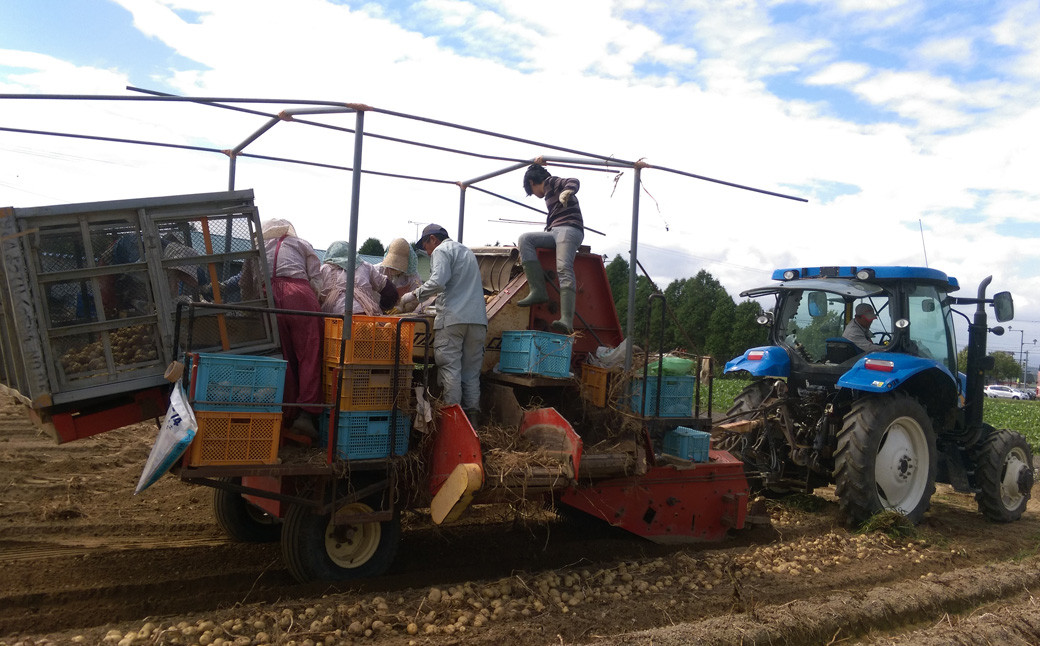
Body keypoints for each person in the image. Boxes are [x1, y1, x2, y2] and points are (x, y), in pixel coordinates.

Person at [399, 224, 487, 425]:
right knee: (471, 374)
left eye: (425, 245)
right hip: (478, 320)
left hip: (453, 319)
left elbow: (438, 282)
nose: (427, 252)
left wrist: (413, 295)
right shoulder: (466, 251)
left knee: (450, 368)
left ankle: (453, 422)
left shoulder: (441, 250)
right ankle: (472, 423)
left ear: (432, 239)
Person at [261, 218, 323, 438]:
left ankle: (285, 413)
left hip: (267, 297)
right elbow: (317, 279)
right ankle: (306, 415)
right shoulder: (302, 244)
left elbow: (246, 282)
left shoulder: (260, 245)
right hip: (299, 294)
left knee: (281, 357)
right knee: (310, 354)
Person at [516, 159, 584, 334]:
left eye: (531, 190)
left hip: (569, 229)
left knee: (563, 267)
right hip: (555, 231)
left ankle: (567, 319)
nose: (534, 194)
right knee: (525, 239)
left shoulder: (551, 182)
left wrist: (568, 191)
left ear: (531, 182)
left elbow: (573, 181)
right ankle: (538, 290)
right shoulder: (548, 194)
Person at [318, 240, 398, 316]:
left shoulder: (324, 269)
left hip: (334, 317)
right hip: (365, 314)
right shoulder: (365, 267)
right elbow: (389, 291)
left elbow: (315, 292)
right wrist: (383, 307)